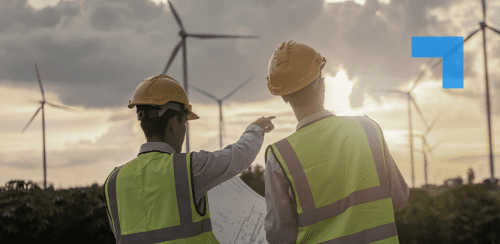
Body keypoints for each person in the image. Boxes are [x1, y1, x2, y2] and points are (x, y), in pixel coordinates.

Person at [263, 41, 410, 243]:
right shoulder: (367, 130)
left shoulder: (280, 157)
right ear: (321, 85)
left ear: (284, 98)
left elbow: (279, 237)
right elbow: (400, 198)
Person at [103, 74, 276, 243]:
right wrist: (255, 128)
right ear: (173, 124)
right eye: (184, 123)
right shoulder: (186, 168)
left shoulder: (114, 182)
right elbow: (238, 156)